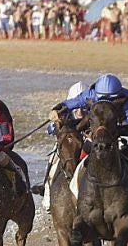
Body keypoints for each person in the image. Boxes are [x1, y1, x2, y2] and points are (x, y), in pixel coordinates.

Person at [49, 73, 128, 163]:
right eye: (102, 97)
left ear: (119, 94)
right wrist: (57, 109)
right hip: (98, 129)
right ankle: (76, 175)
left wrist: (115, 130)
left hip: (120, 127)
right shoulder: (91, 93)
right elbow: (74, 102)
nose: (106, 101)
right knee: (87, 147)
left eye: (111, 99)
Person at [32, 80, 89, 209]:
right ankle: (46, 191)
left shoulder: (93, 112)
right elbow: (49, 130)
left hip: (87, 143)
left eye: (83, 107)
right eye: (76, 107)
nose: (80, 111)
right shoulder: (63, 112)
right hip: (67, 145)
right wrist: (57, 124)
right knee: (53, 160)